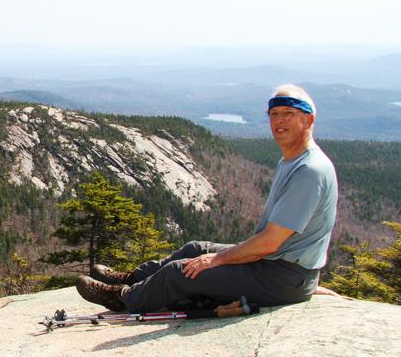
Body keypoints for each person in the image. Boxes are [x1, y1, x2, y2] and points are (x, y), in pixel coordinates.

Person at [76, 84, 339, 313]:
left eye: (289, 114)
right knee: (195, 249)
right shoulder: (292, 161)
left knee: (183, 271)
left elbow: (270, 243)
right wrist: (214, 256)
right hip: (279, 267)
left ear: (308, 120)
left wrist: (218, 260)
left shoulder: (309, 171)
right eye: (274, 114)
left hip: (282, 277)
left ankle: (123, 298)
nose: (279, 121)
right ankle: (135, 279)